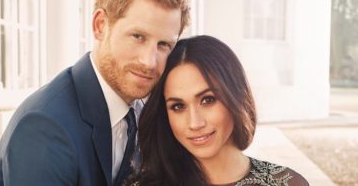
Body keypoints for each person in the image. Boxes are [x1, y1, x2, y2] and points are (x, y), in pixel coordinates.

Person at [0, 0, 189, 186]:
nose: (149, 62)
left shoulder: (142, 109)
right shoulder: (45, 126)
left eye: (163, 45)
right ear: (100, 25)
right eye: (137, 36)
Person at [130, 35, 309, 186]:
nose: (195, 123)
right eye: (178, 106)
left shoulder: (289, 183)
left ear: (235, 96)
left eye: (208, 100)